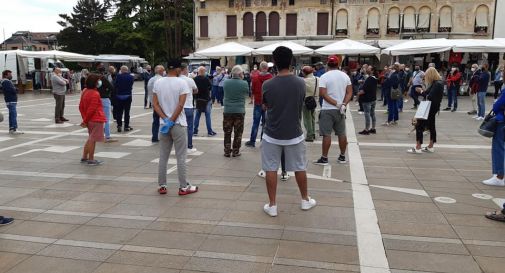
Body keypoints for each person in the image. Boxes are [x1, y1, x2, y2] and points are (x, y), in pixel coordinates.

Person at [261, 46, 316, 217]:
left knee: (270, 168)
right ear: (291, 61)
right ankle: (305, 200)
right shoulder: (301, 83)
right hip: (294, 133)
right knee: (300, 167)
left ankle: (273, 205)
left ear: (274, 62)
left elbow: (265, 106)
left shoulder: (267, 84)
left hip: (272, 133)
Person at [153, 59, 198, 196]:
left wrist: (165, 119)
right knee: (181, 157)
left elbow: (155, 104)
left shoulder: (158, 82)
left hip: (164, 124)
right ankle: (183, 187)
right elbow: (180, 104)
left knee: (163, 156)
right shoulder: (182, 82)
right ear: (178, 69)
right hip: (178, 123)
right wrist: (172, 120)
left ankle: (162, 185)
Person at [314, 55, 352, 166]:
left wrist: (336, 103)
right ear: (338, 64)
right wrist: (343, 104)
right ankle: (342, 156)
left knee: (327, 134)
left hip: (327, 109)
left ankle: (324, 158)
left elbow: (323, 94)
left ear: (327, 65)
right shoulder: (345, 76)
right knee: (341, 133)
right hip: (341, 110)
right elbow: (349, 92)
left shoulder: (324, 77)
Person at [407, 67, 443, 154]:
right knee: (431, 126)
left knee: (419, 125)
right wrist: (423, 91)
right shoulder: (437, 83)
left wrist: (421, 91)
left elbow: (429, 96)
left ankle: (418, 147)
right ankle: (430, 146)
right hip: (433, 108)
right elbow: (428, 94)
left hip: (429, 108)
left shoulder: (436, 84)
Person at [482, 68, 505, 187]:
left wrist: (496, 105)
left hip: (502, 120)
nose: (502, 74)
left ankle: (499, 176)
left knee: (498, 147)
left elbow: (498, 105)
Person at [79, 74, 107, 165]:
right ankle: (91, 159)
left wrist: (85, 119)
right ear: (95, 82)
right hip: (96, 119)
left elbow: (81, 107)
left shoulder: (85, 91)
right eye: (98, 80)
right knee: (92, 139)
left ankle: (84, 157)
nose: (99, 82)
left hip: (90, 120)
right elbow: (92, 109)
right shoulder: (95, 93)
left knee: (91, 138)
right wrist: (85, 120)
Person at [222, 65, 249, 157]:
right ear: (240, 74)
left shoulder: (226, 82)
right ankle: (235, 151)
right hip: (239, 111)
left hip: (227, 110)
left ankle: (226, 151)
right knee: (238, 132)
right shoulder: (244, 83)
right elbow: (246, 93)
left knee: (227, 131)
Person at [245, 61, 272, 148]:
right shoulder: (271, 78)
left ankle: (252, 141)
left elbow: (252, 90)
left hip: (258, 102)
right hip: (268, 104)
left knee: (255, 122)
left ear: (260, 68)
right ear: (267, 68)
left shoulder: (255, 78)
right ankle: (263, 141)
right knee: (265, 123)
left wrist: (252, 99)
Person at [179, 64, 199, 153]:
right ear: (184, 70)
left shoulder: (176, 80)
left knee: (178, 128)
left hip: (178, 107)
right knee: (189, 128)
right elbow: (196, 90)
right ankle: (189, 147)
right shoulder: (189, 80)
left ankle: (179, 147)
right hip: (188, 106)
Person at [194, 67, 217, 137]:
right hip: (206, 99)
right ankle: (209, 131)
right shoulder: (206, 79)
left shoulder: (195, 79)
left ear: (198, 71)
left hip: (198, 99)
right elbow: (210, 87)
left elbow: (194, 88)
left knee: (197, 115)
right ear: (203, 72)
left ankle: (195, 131)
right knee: (207, 116)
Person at [1, 70, 22, 135]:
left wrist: (14, 89)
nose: (11, 75)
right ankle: (13, 129)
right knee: (13, 115)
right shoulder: (6, 82)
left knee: (12, 115)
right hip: (11, 101)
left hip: (10, 100)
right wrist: (16, 89)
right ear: (6, 75)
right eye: (9, 74)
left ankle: (11, 128)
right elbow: (12, 90)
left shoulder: (6, 81)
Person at [358, 66, 378, 135]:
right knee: (372, 114)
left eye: (369, 68)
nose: (367, 69)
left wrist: (358, 94)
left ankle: (367, 129)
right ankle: (373, 128)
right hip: (373, 99)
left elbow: (364, 90)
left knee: (367, 114)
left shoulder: (370, 79)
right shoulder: (374, 78)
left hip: (367, 100)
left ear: (372, 71)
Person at [114, 66, 135, 132]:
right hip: (128, 95)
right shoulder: (131, 77)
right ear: (127, 70)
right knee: (127, 112)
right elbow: (131, 85)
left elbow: (115, 85)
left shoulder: (118, 76)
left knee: (119, 112)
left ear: (121, 70)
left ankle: (119, 125)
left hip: (119, 96)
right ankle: (126, 126)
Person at [147, 65, 165, 143]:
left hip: (154, 104)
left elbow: (149, 92)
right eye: (163, 70)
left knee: (155, 121)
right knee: (163, 120)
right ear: (161, 71)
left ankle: (154, 136)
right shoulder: (162, 80)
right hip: (161, 104)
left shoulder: (151, 79)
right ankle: (163, 136)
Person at [98, 74, 117, 143]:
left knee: (99, 118)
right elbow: (112, 88)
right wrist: (107, 91)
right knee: (106, 119)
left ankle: (99, 135)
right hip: (105, 98)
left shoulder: (94, 79)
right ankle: (107, 136)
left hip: (97, 99)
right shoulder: (103, 78)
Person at [301, 66, 318, 142]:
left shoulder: (304, 81)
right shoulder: (318, 79)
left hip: (306, 101)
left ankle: (309, 135)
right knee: (313, 117)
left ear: (305, 72)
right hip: (314, 100)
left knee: (307, 119)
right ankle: (313, 133)